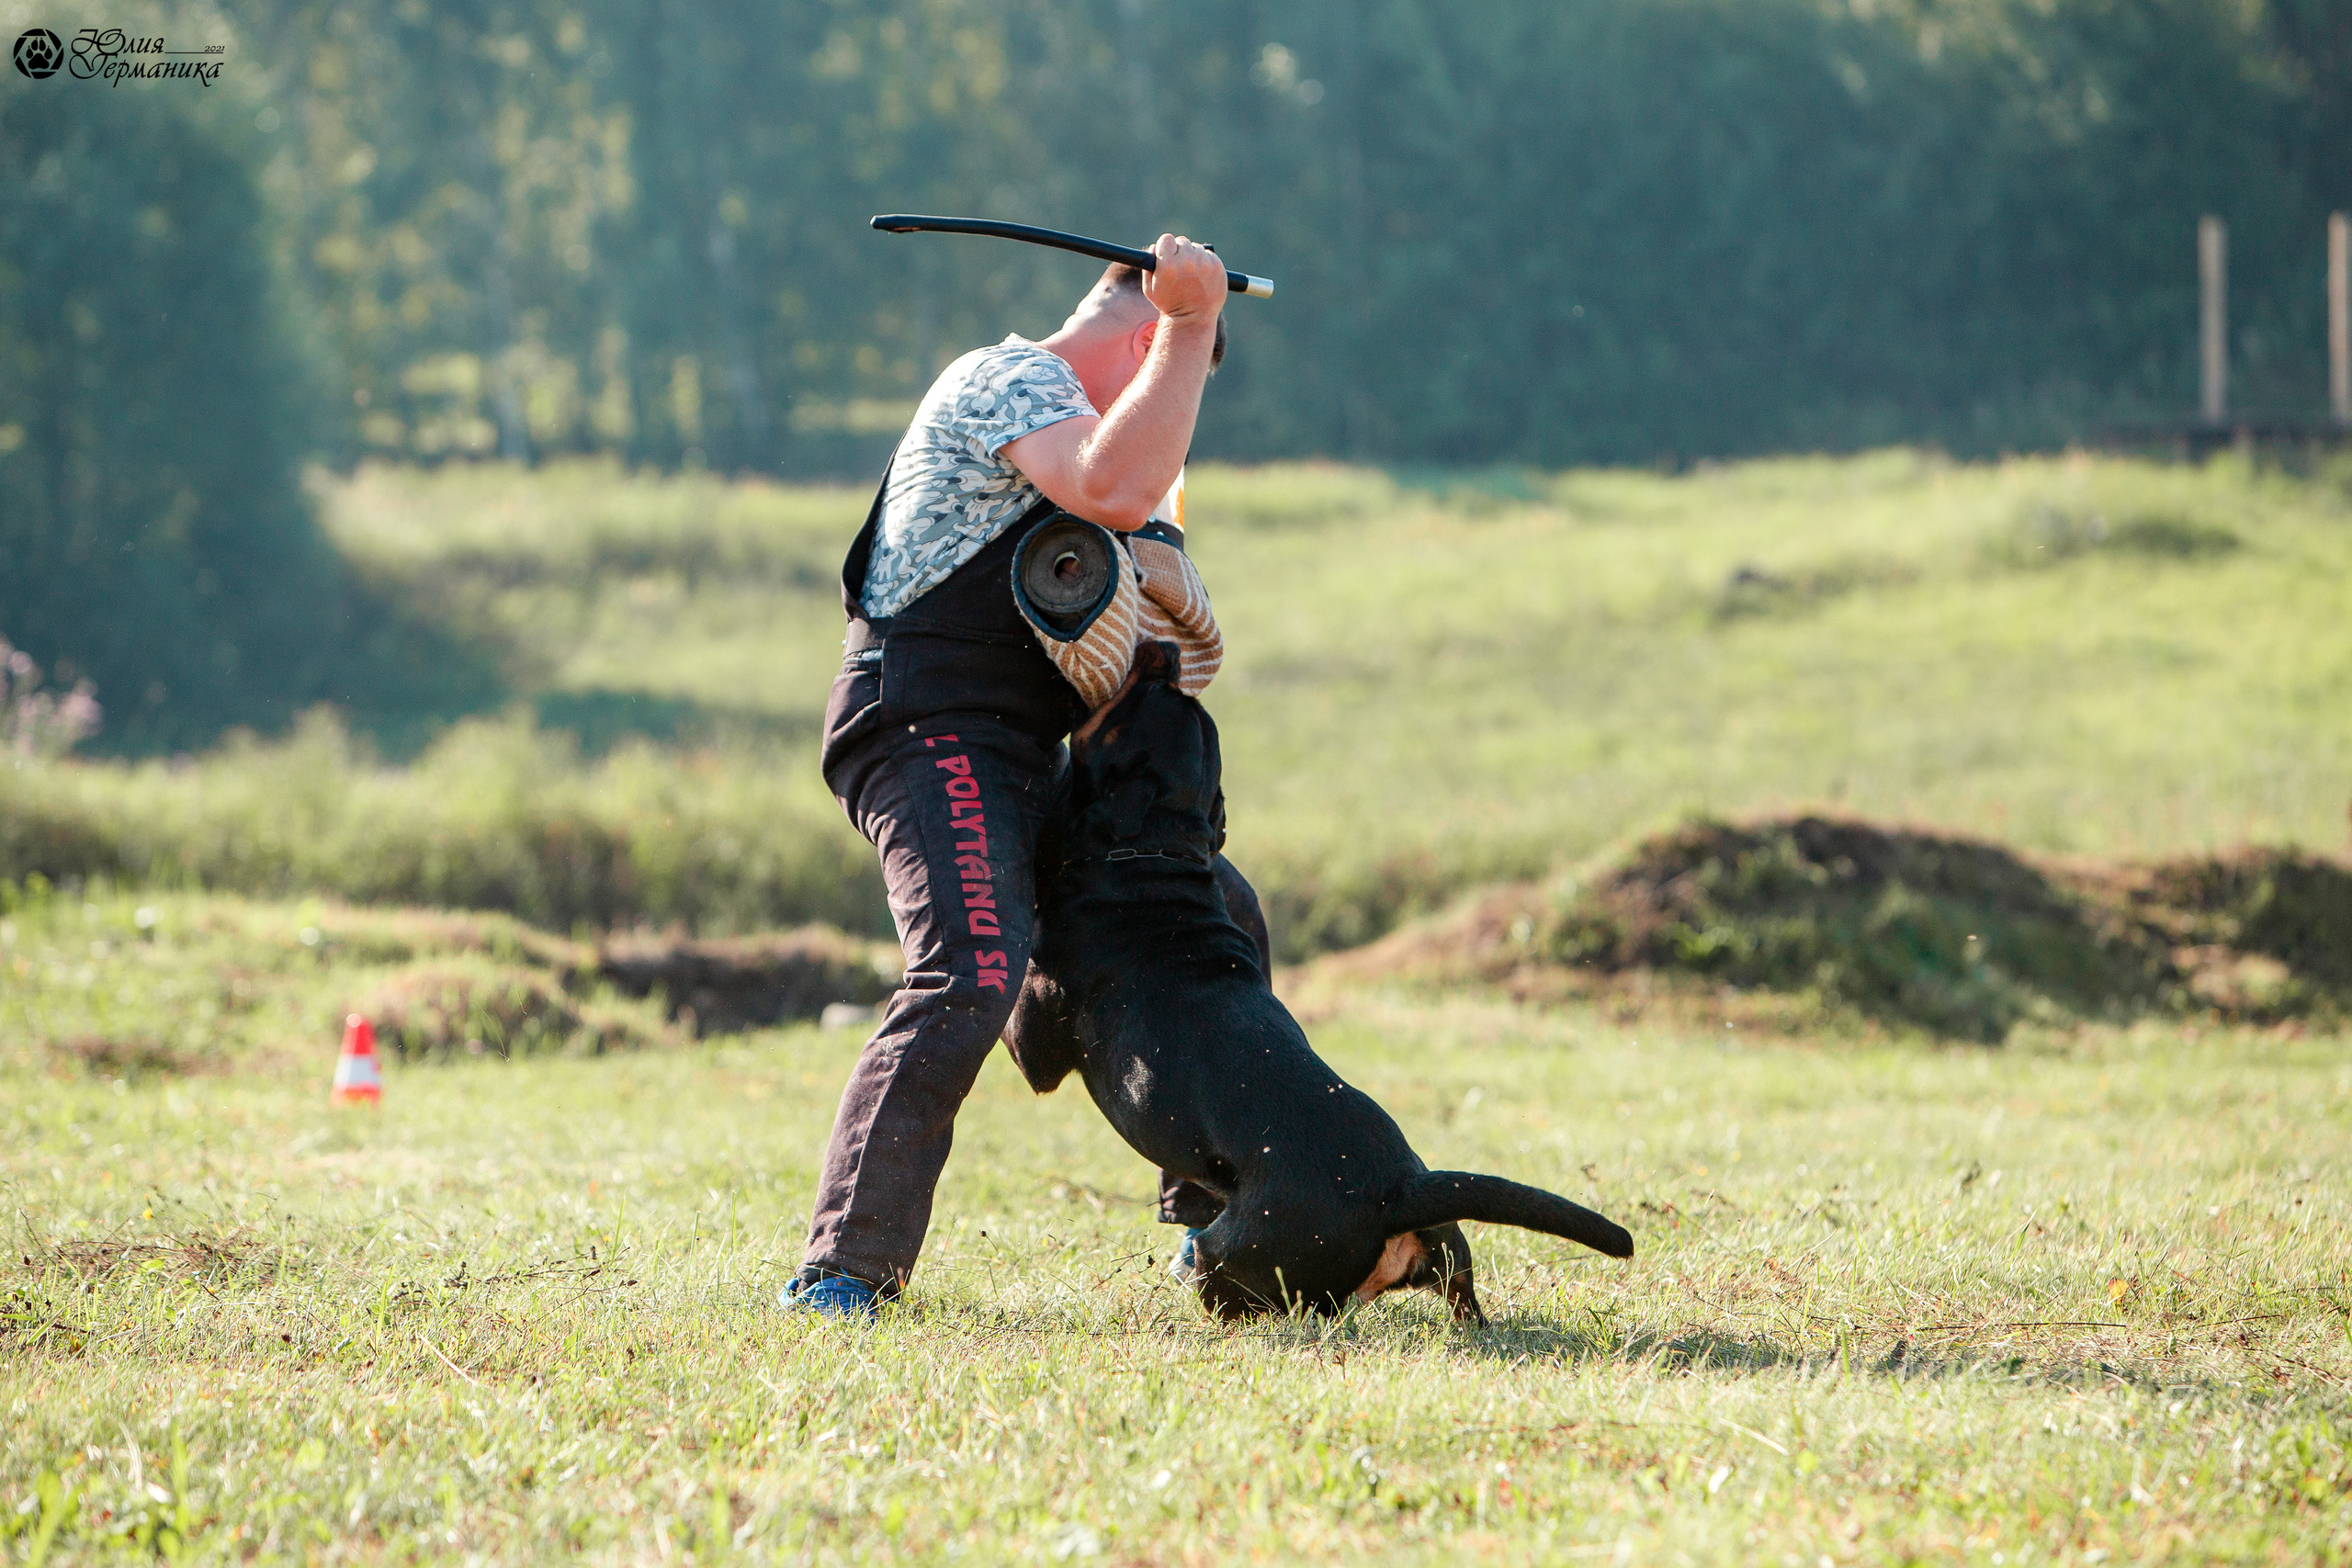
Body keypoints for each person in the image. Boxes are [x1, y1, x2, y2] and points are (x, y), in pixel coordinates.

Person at [785, 235, 1272, 1318]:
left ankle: (1215, 1226)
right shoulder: (1005, 378)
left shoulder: (1096, 430)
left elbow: (1133, 627)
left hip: (1024, 745)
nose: (1172, 412)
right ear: (1147, 335)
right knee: (968, 968)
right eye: (1172, 373)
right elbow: (1110, 485)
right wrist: (1195, 326)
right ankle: (842, 1275)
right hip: (924, 721)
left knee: (1218, 916)